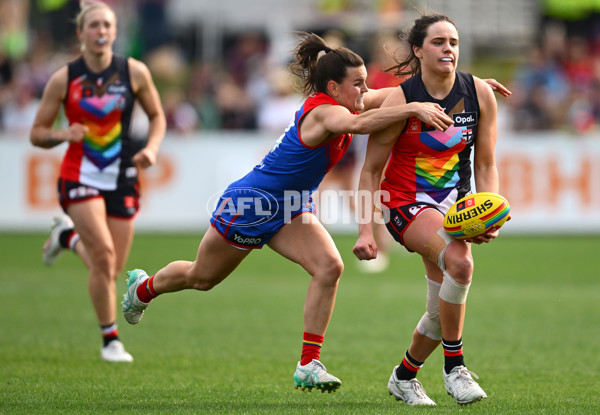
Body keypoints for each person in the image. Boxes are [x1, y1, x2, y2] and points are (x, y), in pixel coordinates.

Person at [120, 31, 455, 393]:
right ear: (334, 86)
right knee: (202, 278)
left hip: (292, 207)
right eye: (358, 84)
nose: (364, 91)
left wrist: (462, 86)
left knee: (330, 266)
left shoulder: (347, 99)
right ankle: (144, 288)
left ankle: (309, 364)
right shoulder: (325, 111)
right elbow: (359, 125)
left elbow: (390, 96)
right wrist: (412, 109)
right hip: (252, 204)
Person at [353, 13, 507, 406]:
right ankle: (455, 369)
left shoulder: (479, 93)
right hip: (404, 204)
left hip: (453, 206)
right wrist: (366, 232)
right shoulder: (402, 99)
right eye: (438, 42)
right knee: (462, 263)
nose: (449, 49)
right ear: (419, 51)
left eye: (453, 42)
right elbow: (370, 171)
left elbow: (486, 164)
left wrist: (492, 211)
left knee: (441, 312)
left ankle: (404, 377)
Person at [30, 1, 166, 362]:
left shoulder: (134, 72)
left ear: (115, 32)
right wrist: (63, 134)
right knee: (104, 258)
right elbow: (37, 134)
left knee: (110, 268)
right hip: (79, 175)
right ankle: (111, 341)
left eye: (107, 25)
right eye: (94, 25)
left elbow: (157, 117)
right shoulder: (65, 78)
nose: (101, 31)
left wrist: (151, 149)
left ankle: (66, 237)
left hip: (122, 175)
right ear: (81, 33)